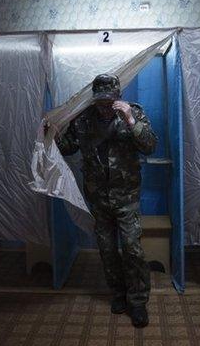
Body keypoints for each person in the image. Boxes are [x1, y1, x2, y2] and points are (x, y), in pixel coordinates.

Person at [55, 73, 157, 328]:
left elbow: (150, 146)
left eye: (108, 101)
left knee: (132, 248)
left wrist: (131, 120)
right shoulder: (83, 119)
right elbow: (69, 148)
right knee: (108, 249)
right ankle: (119, 294)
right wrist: (54, 132)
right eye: (99, 101)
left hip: (126, 197)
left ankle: (138, 301)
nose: (103, 106)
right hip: (98, 197)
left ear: (117, 98)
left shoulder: (133, 113)